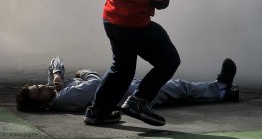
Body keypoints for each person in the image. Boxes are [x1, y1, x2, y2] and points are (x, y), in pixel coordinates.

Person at [15, 56, 238, 113]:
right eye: (39, 94)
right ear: (43, 105)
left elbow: (55, 59)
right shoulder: (65, 98)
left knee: (178, 89)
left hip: (126, 88)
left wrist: (56, 74)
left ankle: (221, 90)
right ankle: (221, 89)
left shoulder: (55, 88)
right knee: (179, 89)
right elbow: (97, 84)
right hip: (129, 93)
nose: (43, 88)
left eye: (37, 87)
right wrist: (84, 72)